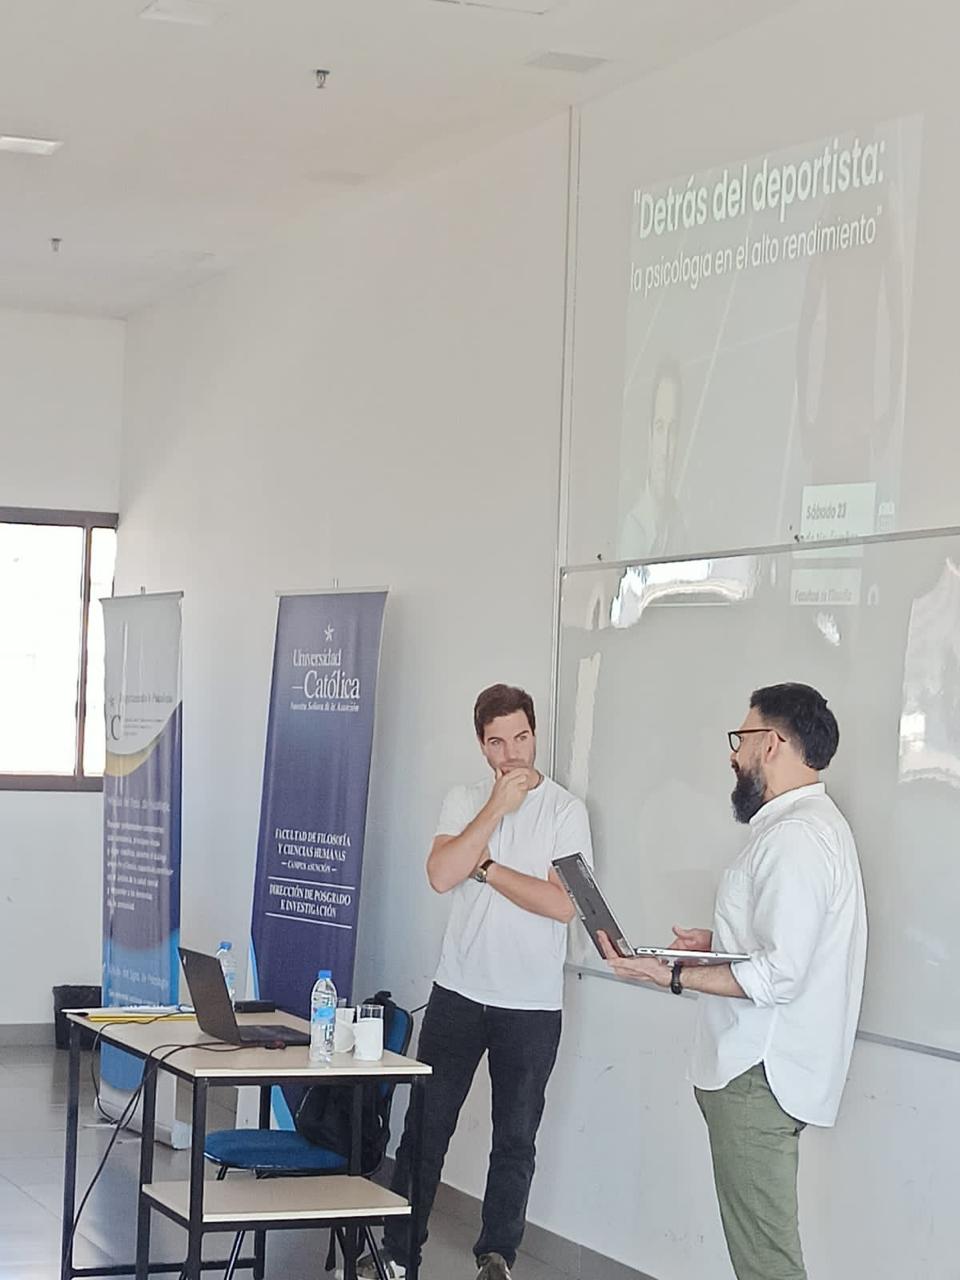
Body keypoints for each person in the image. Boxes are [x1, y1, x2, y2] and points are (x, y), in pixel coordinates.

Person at [601, 683, 866, 1280]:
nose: (733, 753)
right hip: (762, 1075)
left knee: (767, 1265)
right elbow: (780, 949)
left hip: (757, 1076)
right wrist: (716, 945)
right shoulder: (803, 827)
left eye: (740, 738)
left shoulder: (797, 837)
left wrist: (674, 975)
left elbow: (780, 975)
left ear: (770, 743)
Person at [355, 684, 593, 1280]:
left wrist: (483, 866)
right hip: (458, 992)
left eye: (522, 738)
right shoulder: (464, 800)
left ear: (535, 734)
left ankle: (496, 1257)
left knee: (515, 1139)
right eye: (498, 743)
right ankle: (397, 1252)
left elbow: (562, 905)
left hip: (531, 1004)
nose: (513, 754)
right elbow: (441, 874)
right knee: (425, 1129)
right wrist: (493, 811)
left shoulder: (566, 811)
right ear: (482, 746)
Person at [618, 358, 689, 560]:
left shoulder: (678, 525)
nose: (665, 449)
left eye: (672, 430)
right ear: (648, 436)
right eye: (659, 428)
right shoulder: (633, 531)